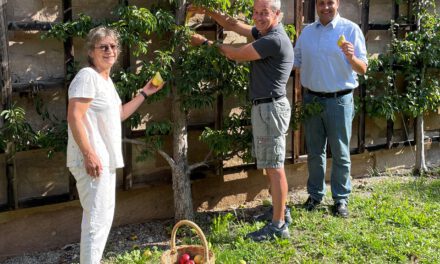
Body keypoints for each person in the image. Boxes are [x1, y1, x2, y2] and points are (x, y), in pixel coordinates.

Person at [189, 0, 293, 241]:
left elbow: (236, 54)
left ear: (277, 14)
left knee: (275, 167)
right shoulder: (267, 31)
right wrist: (207, 10)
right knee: (270, 164)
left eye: (264, 13)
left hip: (270, 109)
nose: (258, 17)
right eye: (255, 12)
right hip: (265, 107)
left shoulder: (273, 40)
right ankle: (281, 212)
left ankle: (278, 226)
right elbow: (234, 25)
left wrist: (204, 42)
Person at [66, 26, 164, 263]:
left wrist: (145, 93)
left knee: (101, 219)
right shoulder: (87, 77)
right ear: (91, 52)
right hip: (93, 160)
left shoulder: (105, 81)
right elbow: (74, 116)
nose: (109, 50)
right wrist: (89, 154)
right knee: (96, 222)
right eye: (103, 47)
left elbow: (117, 114)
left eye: (113, 46)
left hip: (103, 160)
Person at [293, 0, 367, 217]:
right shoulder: (307, 33)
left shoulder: (350, 29)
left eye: (330, 2)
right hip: (312, 100)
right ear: (316, 5)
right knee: (315, 152)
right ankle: (315, 195)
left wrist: (351, 56)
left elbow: (362, 69)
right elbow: (295, 61)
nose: (325, 7)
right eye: (321, 3)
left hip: (339, 101)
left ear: (338, 3)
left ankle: (341, 199)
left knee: (341, 153)